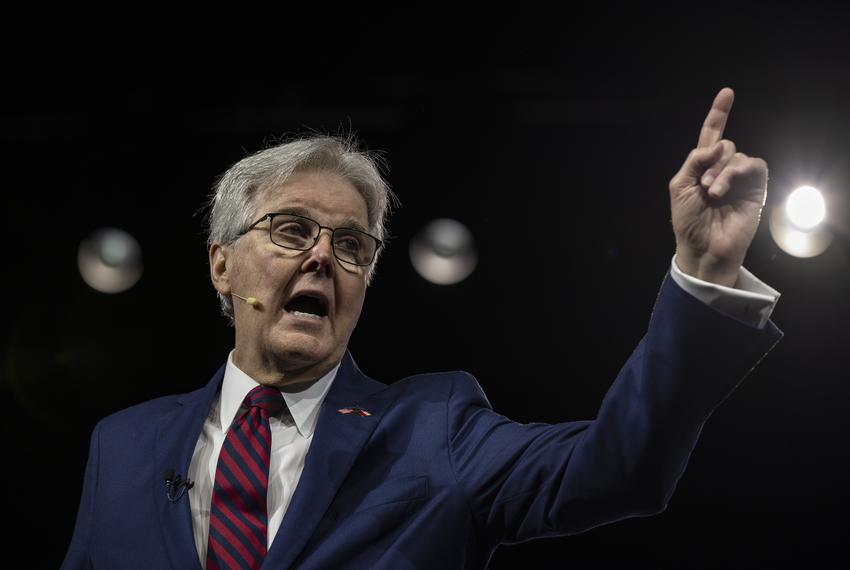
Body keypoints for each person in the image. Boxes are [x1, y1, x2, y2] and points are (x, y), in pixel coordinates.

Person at [61, 87, 782, 569]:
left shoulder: (434, 427)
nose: (322, 256)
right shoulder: (122, 447)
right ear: (222, 265)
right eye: (291, 230)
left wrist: (703, 271)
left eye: (351, 246)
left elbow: (619, 467)